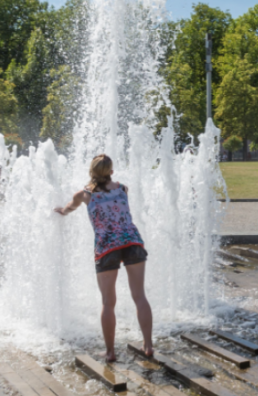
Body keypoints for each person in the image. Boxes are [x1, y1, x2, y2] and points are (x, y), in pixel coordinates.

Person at [54, 154, 153, 362]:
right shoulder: (123, 188)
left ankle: (110, 352)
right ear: (111, 171)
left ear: (91, 171)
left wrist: (62, 211)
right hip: (132, 242)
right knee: (140, 296)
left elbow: (68, 208)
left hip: (107, 248)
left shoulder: (84, 195)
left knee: (108, 303)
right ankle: (148, 345)